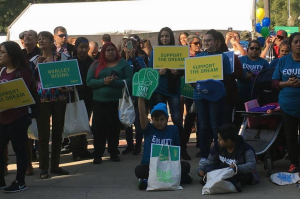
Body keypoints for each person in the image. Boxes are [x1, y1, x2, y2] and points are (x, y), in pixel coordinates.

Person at [31, 31, 71, 179]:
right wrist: (38, 67)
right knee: (43, 135)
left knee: (57, 134)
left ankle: (55, 166)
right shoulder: (35, 59)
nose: (41, 41)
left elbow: (70, 76)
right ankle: (43, 168)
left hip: (59, 99)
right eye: (39, 39)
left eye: (44, 38)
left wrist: (68, 88)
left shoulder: (62, 57)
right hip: (42, 101)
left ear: (51, 41)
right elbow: (31, 80)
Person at [86, 42, 133, 164]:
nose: (111, 52)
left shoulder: (123, 64)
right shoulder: (96, 64)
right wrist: (104, 81)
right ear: (103, 52)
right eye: (108, 50)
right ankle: (98, 154)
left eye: (112, 50)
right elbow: (89, 81)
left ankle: (113, 152)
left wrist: (115, 83)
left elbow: (129, 80)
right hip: (99, 102)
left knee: (114, 129)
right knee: (98, 129)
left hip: (116, 103)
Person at [149, 27, 190, 160]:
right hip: (159, 89)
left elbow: (185, 69)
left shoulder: (178, 51)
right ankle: (159, 149)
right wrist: (157, 72)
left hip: (174, 89)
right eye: (162, 36)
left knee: (177, 119)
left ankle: (182, 149)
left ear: (171, 37)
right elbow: (150, 70)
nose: (164, 39)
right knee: (160, 119)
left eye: (167, 36)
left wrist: (177, 72)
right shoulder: (155, 52)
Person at [134, 98, 193, 190]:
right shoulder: (149, 129)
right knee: (139, 170)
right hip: (151, 165)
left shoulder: (173, 129)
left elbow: (176, 150)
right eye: (156, 120)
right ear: (151, 119)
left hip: (168, 165)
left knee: (186, 166)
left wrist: (174, 163)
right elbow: (142, 114)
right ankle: (180, 179)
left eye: (162, 119)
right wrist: (141, 99)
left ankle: (147, 181)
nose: (159, 122)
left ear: (167, 119)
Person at [193, 29, 232, 165]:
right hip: (200, 96)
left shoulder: (223, 58)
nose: (206, 43)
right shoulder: (197, 58)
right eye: (204, 41)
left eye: (209, 40)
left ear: (216, 42)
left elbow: (227, 78)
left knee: (215, 125)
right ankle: (204, 154)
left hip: (216, 97)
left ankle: (219, 154)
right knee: (203, 125)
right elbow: (191, 79)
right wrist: (198, 87)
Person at [0, 41, 33, 193]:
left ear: (11, 55)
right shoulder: (1, 72)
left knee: (19, 149)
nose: (0, 55)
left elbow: (22, 96)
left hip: (18, 118)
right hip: (2, 118)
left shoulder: (22, 73)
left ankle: (20, 181)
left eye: (2, 52)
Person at [197, 124, 260, 190]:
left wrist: (237, 168)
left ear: (228, 141)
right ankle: (227, 183)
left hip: (237, 172)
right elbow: (210, 161)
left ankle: (222, 182)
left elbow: (252, 164)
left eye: (220, 139)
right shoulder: (218, 146)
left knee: (243, 177)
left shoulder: (246, 148)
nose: (218, 141)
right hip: (222, 170)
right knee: (207, 169)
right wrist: (200, 170)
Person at [272, 32, 300, 173]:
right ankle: (294, 163)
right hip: (287, 105)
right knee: (291, 136)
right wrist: (287, 83)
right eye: (296, 42)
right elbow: (275, 82)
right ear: (291, 45)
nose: (298, 44)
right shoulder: (283, 61)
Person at [121, 37, 148, 155]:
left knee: (138, 122)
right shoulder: (121, 61)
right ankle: (129, 145)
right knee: (127, 122)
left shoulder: (139, 59)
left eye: (132, 46)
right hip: (126, 95)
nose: (129, 49)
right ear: (123, 48)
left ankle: (138, 145)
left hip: (138, 94)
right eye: (127, 46)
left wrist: (133, 59)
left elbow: (144, 73)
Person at [70, 37, 94, 161]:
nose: (83, 50)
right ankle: (75, 150)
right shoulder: (71, 62)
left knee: (84, 123)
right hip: (74, 97)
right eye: (81, 47)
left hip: (88, 97)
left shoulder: (92, 62)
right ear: (76, 48)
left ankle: (83, 149)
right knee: (75, 123)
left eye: (86, 48)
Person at [22, 29, 41, 176]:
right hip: (22, 94)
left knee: (39, 129)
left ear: (36, 39)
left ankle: (42, 159)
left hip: (38, 95)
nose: (27, 37)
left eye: (30, 35)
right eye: (25, 35)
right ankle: (28, 162)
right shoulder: (19, 55)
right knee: (25, 132)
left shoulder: (41, 54)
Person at [215, 31, 243, 125]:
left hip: (228, 93)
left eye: (215, 41)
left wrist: (228, 72)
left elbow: (240, 72)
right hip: (211, 94)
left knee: (226, 120)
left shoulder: (231, 56)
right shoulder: (203, 57)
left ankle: (227, 139)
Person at [183, 35, 202, 155]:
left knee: (201, 118)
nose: (198, 45)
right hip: (188, 91)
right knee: (190, 117)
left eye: (199, 43)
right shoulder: (185, 57)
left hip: (201, 90)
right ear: (190, 45)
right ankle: (184, 142)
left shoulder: (203, 56)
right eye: (196, 43)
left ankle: (200, 143)